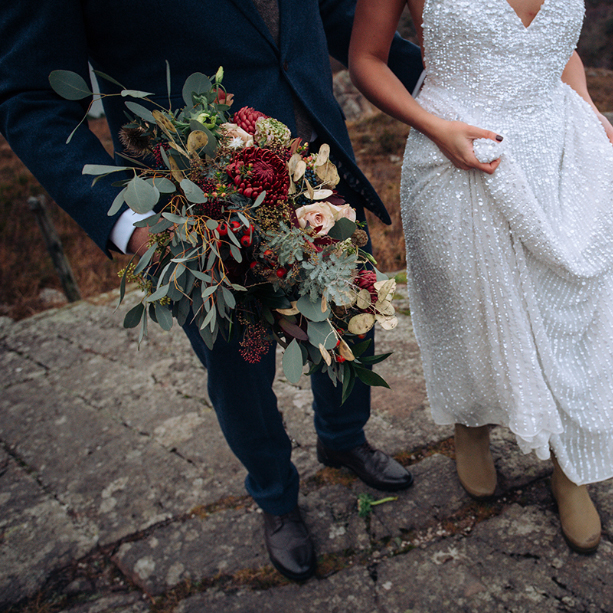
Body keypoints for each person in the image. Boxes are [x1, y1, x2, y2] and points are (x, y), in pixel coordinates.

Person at [0, 0, 423, 581]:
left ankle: (344, 438)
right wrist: (130, 225)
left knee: (351, 323)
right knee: (238, 367)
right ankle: (276, 498)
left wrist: (448, 74)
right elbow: (32, 98)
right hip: (198, 213)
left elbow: (334, 12)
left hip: (320, 171)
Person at [349, 0, 613, 553]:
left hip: (556, 157)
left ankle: (570, 467)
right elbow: (366, 59)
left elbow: (557, 49)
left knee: (572, 311)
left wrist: (588, 105)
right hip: (455, 153)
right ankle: (472, 421)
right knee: (468, 310)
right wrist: (434, 127)